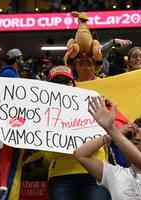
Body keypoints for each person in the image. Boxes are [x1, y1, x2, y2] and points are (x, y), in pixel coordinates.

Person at [44, 65, 112, 200]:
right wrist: (2, 114)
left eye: (67, 82)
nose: (63, 86)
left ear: (74, 84)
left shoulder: (94, 103)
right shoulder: (42, 110)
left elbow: (111, 131)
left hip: (95, 170)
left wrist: (106, 110)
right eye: (58, 83)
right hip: (61, 174)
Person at [74, 117, 141, 200]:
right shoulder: (114, 174)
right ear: (126, 147)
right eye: (135, 143)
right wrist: (113, 134)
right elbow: (80, 154)